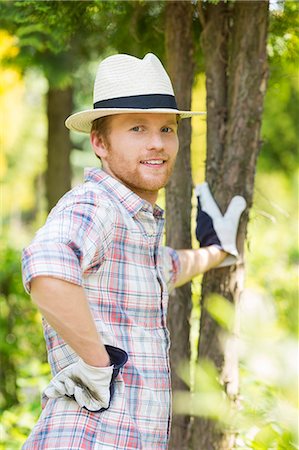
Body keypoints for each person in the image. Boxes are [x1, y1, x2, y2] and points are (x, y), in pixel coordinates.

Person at [21, 53, 246, 449]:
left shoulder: (133, 229)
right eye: (137, 128)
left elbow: (166, 268)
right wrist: (97, 363)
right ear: (99, 142)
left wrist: (218, 251)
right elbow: (46, 270)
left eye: (166, 128)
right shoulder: (95, 205)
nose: (157, 143)